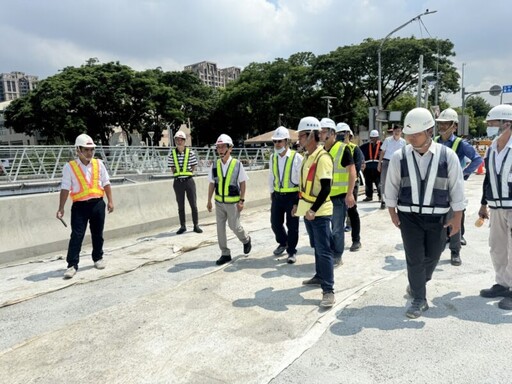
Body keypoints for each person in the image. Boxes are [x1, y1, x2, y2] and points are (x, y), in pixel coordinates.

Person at [385, 108, 465, 319]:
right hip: (409, 216)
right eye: (408, 134)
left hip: (438, 217)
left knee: (434, 255)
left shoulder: (448, 156)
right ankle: (419, 299)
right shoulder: (399, 156)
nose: (411, 138)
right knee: (415, 258)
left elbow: (457, 188)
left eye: (416, 134)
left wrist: (457, 217)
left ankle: (416, 284)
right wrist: (392, 211)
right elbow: (391, 185)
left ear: (429, 131)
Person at [56, 133, 114, 279]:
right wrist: (61, 207)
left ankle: (98, 258)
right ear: (78, 150)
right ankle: (72, 265)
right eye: (86, 149)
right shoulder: (69, 167)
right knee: (77, 235)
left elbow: (106, 183)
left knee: (97, 234)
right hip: (79, 207)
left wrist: (110, 201)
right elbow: (65, 188)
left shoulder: (98, 164)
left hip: (97, 204)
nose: (89, 153)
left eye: (91, 150)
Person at [294, 116, 336, 308]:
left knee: (324, 250)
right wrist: (299, 205)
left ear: (311, 135)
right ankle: (319, 276)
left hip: (319, 212)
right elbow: (304, 186)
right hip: (308, 210)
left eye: (301, 136)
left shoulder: (323, 158)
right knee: (316, 247)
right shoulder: (307, 157)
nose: (299, 139)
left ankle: (328, 291)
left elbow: (326, 188)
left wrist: (312, 209)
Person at [435, 108, 483, 265]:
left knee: (455, 218)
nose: (442, 127)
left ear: (454, 126)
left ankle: (455, 252)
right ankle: (437, 248)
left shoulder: (460, 143)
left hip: (454, 187)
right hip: (436, 187)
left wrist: (463, 174)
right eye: (440, 123)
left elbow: (477, 160)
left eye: (446, 124)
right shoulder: (434, 141)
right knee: (437, 219)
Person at [478, 104, 512, 310]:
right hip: (497, 206)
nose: (490, 127)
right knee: (497, 247)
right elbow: (488, 178)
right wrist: (483, 204)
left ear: (507, 123)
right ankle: (503, 283)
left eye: (493, 123)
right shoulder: (492, 147)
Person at [207, 134, 251, 265]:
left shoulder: (237, 164)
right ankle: (225, 253)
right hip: (219, 203)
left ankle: (246, 240)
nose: (220, 150)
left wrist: (242, 200)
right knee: (220, 229)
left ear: (230, 148)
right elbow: (212, 183)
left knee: (235, 227)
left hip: (233, 203)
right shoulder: (214, 165)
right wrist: (209, 200)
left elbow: (243, 183)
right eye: (218, 147)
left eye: (222, 147)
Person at [319, 118, 356, 267]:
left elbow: (352, 172)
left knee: (337, 229)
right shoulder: (321, 151)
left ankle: (337, 255)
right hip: (324, 197)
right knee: (324, 229)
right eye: (320, 132)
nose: (320, 135)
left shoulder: (342, 148)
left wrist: (350, 193)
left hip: (338, 197)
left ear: (332, 133)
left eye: (323, 132)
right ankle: (329, 252)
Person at [268, 126, 303, 264]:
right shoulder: (273, 157)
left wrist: (299, 200)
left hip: (292, 196)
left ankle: (292, 251)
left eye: (280, 141)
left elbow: (302, 180)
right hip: (277, 196)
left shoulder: (296, 158)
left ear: (287, 141)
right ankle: (283, 242)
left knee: (292, 225)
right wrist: (271, 192)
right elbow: (271, 176)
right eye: (275, 141)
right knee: (275, 223)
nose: (277, 144)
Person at [167, 130, 202, 235]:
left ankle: (196, 225)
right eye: (177, 139)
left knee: (193, 204)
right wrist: (178, 175)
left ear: (184, 141)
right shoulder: (172, 153)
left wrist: (189, 173)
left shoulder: (190, 152)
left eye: (181, 139)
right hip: (178, 182)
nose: (179, 141)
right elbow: (172, 167)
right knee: (180, 205)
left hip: (189, 181)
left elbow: (193, 165)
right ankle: (183, 226)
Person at [337, 123, 363, 252]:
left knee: (352, 212)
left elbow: (356, 168)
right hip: (336, 188)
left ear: (349, 134)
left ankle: (356, 240)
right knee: (337, 216)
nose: (342, 136)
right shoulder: (334, 149)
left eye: (344, 133)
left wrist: (350, 191)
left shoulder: (354, 149)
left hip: (350, 186)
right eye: (339, 133)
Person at [379, 124, 406, 209]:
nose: (397, 133)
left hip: (398, 163)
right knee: (384, 181)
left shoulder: (403, 142)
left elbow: (404, 154)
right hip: (387, 161)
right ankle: (383, 200)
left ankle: (397, 198)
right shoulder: (387, 140)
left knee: (398, 181)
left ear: (401, 132)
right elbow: (382, 152)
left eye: (399, 131)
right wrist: (379, 163)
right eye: (396, 131)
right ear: (393, 131)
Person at [360, 130, 382, 202]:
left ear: (377, 137)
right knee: (368, 182)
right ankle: (369, 196)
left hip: (377, 167)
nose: (373, 139)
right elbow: (359, 151)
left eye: (375, 138)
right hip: (368, 167)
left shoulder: (382, 145)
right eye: (372, 138)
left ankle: (380, 196)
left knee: (378, 182)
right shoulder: (365, 146)